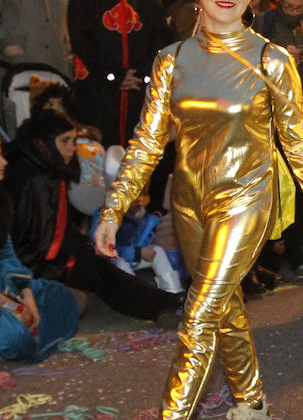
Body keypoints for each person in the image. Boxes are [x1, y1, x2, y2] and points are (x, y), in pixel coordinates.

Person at [95, 0, 303, 420]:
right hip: (189, 203)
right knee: (224, 308)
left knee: (199, 311)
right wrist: (114, 207)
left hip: (248, 199)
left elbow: (299, 145)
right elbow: (146, 143)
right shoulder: (171, 59)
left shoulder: (270, 59)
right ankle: (253, 407)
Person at [4, 108, 181, 323]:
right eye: (65, 141)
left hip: (46, 255)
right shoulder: (35, 179)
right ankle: (166, 305)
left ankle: (165, 305)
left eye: (74, 140)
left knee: (101, 267)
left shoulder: (44, 169)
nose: (72, 148)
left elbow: (52, 230)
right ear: (46, 142)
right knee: (98, 273)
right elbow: (33, 244)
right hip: (32, 267)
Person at [66, 0, 169, 146]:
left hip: (137, 94)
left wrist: (141, 73)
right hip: (98, 94)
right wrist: (113, 74)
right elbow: (82, 39)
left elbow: (160, 37)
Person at [0, 139, 84, 362]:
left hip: (6, 286)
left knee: (67, 300)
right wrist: (9, 304)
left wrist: (26, 296)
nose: (4, 161)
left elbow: (7, 255)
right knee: (15, 337)